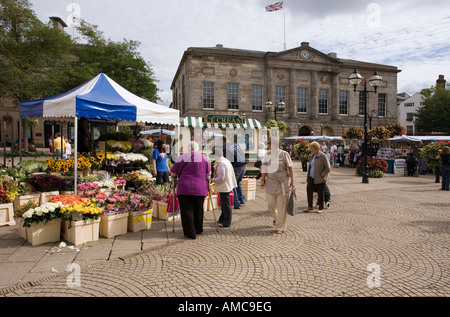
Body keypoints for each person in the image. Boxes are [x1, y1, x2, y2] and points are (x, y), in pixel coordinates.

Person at [170, 141, 211, 239]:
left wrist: (174, 182)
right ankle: (198, 229)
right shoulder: (204, 158)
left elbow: (173, 173)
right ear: (197, 148)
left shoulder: (181, 157)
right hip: (200, 187)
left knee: (187, 210)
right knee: (199, 209)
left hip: (184, 187)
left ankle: (190, 232)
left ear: (188, 148)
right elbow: (208, 175)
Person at [260, 138, 295, 234]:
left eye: (270, 143)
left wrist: (292, 181)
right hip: (271, 182)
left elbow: (290, 168)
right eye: (268, 143)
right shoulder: (267, 154)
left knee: (282, 206)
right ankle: (276, 218)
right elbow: (264, 168)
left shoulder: (284, 154)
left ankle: (281, 226)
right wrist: (262, 179)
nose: (269, 145)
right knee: (270, 204)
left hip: (282, 183)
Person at [212, 147, 237, 228]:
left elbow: (221, 178)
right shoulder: (225, 161)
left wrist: (213, 180)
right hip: (227, 185)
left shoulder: (222, 164)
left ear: (216, 155)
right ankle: (222, 218)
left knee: (226, 204)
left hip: (224, 186)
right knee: (224, 204)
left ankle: (226, 221)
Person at [304, 141, 331, 213]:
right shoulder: (312, 156)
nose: (311, 150)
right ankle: (310, 206)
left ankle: (321, 207)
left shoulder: (322, 156)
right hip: (311, 177)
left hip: (319, 177)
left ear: (316, 148)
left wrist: (322, 175)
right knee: (309, 190)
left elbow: (327, 168)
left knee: (320, 192)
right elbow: (310, 166)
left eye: (312, 148)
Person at [223, 136, 247, 209]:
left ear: (223, 141)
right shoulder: (235, 144)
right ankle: (242, 199)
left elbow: (226, 160)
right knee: (238, 182)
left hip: (236, 166)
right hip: (244, 165)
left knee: (233, 184)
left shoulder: (225, 148)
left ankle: (236, 204)